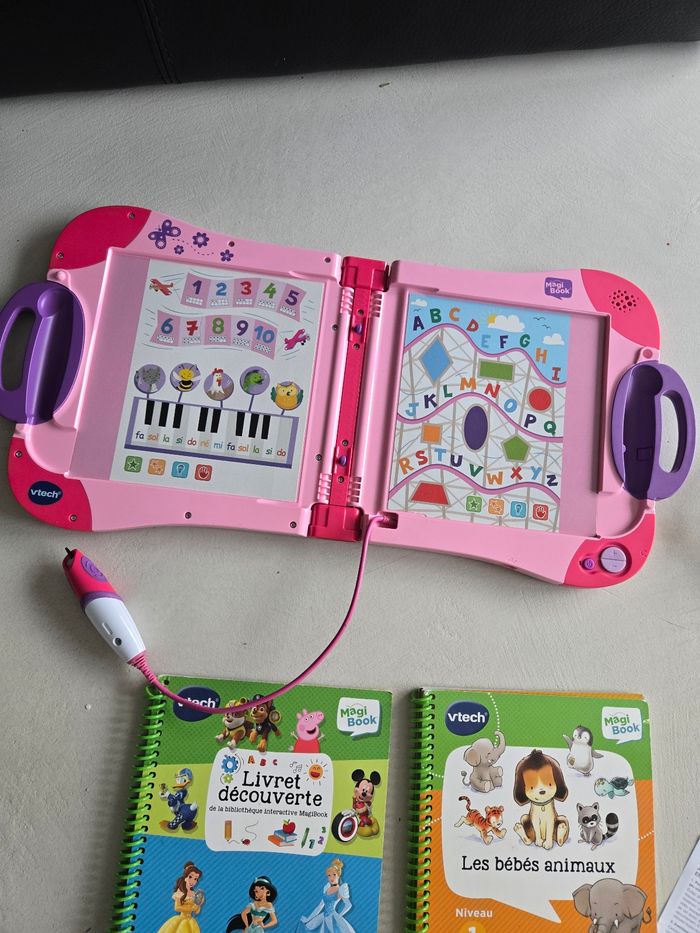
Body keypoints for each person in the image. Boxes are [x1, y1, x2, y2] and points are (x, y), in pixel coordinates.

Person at [295, 859, 356, 932]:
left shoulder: (341, 889)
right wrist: (308, 919)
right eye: (329, 875)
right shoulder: (327, 888)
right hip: (323, 917)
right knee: (308, 927)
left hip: (332, 918)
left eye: (334, 875)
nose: (331, 878)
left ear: (338, 875)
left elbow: (348, 905)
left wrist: (339, 916)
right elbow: (320, 906)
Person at [156, 861, 204, 933]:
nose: (193, 881)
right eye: (190, 877)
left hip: (191, 922)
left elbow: (197, 911)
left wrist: (197, 907)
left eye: (196, 879)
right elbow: (177, 908)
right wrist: (190, 908)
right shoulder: (180, 893)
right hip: (181, 920)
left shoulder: (194, 894)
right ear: (185, 877)